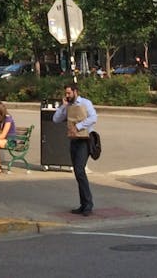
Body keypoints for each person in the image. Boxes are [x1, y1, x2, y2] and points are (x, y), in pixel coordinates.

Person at [52, 83, 97, 215]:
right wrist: (63, 107)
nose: (67, 96)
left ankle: (88, 204)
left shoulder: (85, 103)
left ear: (75, 92)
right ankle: (83, 204)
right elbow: (56, 119)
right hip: (74, 140)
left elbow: (93, 118)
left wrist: (78, 126)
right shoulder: (68, 106)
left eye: (69, 93)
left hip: (85, 140)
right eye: (66, 93)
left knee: (79, 170)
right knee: (78, 173)